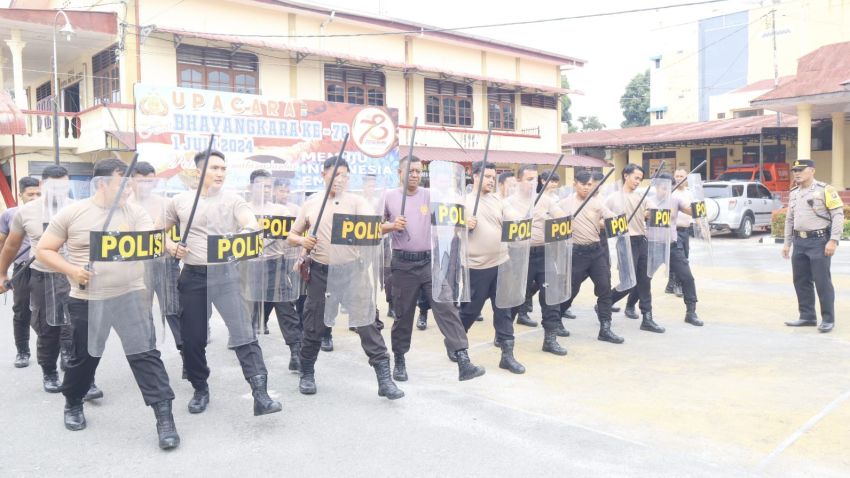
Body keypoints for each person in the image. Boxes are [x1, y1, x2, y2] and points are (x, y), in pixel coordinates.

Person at [36, 158, 180, 449]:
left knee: (146, 355)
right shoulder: (73, 214)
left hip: (130, 296)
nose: (128, 188)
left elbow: (152, 240)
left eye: (130, 183)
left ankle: (165, 419)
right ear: (101, 183)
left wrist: (169, 246)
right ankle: (73, 403)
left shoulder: (134, 211)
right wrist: (73, 271)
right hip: (87, 299)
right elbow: (44, 250)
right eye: (121, 183)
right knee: (84, 357)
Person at [168, 150, 282, 416]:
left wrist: (244, 233)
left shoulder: (233, 200)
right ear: (199, 172)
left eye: (223, 168)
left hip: (226, 275)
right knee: (193, 339)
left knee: (244, 333)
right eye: (214, 168)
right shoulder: (180, 201)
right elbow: (157, 232)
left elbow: (250, 224)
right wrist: (171, 245)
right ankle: (200, 388)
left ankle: (260, 393)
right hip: (193, 275)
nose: (220, 173)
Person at [288, 156, 404, 399]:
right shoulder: (312, 203)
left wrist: (390, 226)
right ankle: (307, 372)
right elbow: (292, 235)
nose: (340, 180)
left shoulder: (356, 202)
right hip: (321, 273)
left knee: (367, 324)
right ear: (324, 175)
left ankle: (384, 379)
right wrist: (302, 241)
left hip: (353, 272)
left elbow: (373, 226)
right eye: (335, 175)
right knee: (313, 326)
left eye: (344, 175)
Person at [382, 156, 485, 382]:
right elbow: (374, 228)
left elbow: (450, 218)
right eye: (410, 171)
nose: (415, 175)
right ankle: (399, 359)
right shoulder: (389, 197)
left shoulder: (431, 196)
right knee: (403, 314)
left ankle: (463, 359)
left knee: (446, 307)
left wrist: (464, 222)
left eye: (419, 172)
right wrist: (391, 225)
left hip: (430, 261)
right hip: (402, 264)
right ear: (399, 172)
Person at [0, 168, 84, 393]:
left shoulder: (79, 208)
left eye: (63, 186)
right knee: (47, 327)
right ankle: (49, 371)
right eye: (53, 186)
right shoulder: (26, 212)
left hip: (74, 275)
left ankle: (73, 362)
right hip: (41, 275)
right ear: (43, 185)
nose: (58, 191)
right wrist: (2, 273)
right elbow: (10, 245)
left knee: (75, 324)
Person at [461, 160, 525, 373]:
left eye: (493, 177)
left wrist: (520, 220)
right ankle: (456, 343)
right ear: (475, 176)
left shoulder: (499, 201)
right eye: (487, 176)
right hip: (476, 267)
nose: (491, 180)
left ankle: (507, 356)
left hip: (501, 264)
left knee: (504, 311)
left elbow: (513, 218)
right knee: (470, 311)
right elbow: (448, 232)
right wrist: (462, 225)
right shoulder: (463, 201)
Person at [556, 171, 625, 344]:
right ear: (575, 184)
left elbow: (612, 219)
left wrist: (622, 221)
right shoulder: (564, 204)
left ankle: (605, 328)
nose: (587, 187)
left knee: (604, 288)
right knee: (571, 289)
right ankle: (556, 319)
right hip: (576, 253)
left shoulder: (597, 202)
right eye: (583, 184)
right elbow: (553, 226)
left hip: (596, 252)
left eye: (589, 184)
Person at [510, 165, 569, 355]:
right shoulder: (508, 202)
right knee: (515, 297)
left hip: (544, 253)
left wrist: (561, 218)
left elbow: (562, 218)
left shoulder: (544, 200)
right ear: (518, 180)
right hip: (520, 255)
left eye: (535, 179)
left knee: (551, 298)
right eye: (528, 179)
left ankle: (550, 339)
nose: (532, 183)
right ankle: (503, 333)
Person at [249, 170, 303, 372]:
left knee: (286, 309)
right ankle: (249, 351)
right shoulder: (244, 210)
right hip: (251, 267)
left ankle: (296, 353)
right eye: (260, 185)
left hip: (276, 265)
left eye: (268, 186)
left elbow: (296, 234)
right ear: (251, 187)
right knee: (251, 312)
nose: (265, 190)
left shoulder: (282, 211)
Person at [782, 159, 844, 333]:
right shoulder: (794, 192)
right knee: (801, 281)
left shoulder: (825, 190)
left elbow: (838, 214)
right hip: (799, 243)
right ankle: (807, 316)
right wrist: (787, 243)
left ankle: (828, 319)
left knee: (822, 281)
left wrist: (833, 240)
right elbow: (789, 219)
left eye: (801, 170)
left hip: (819, 242)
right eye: (795, 170)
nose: (797, 173)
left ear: (812, 171)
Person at [131, 162, 184, 357]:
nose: (146, 185)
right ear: (132, 181)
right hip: (137, 266)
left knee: (174, 309)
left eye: (150, 181)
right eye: (141, 181)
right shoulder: (123, 204)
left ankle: (187, 354)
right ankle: (150, 355)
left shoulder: (165, 202)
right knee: (142, 313)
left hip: (165, 264)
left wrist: (170, 245)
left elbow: (167, 231)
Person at [607, 164, 665, 333]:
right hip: (625, 242)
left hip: (642, 241)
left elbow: (655, 211)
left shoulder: (642, 197)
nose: (638, 182)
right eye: (636, 178)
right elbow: (602, 217)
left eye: (640, 179)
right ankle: (605, 303)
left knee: (645, 281)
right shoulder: (613, 198)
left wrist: (649, 213)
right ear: (626, 175)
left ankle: (647, 318)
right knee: (628, 282)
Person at [0, 176, 41, 368]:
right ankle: (22, 351)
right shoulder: (10, 214)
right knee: (21, 310)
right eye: (30, 194)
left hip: (47, 268)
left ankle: (62, 351)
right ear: (21, 195)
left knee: (54, 312)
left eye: (38, 193)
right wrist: (2, 273)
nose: (34, 197)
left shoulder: (50, 212)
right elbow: (3, 243)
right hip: (22, 268)